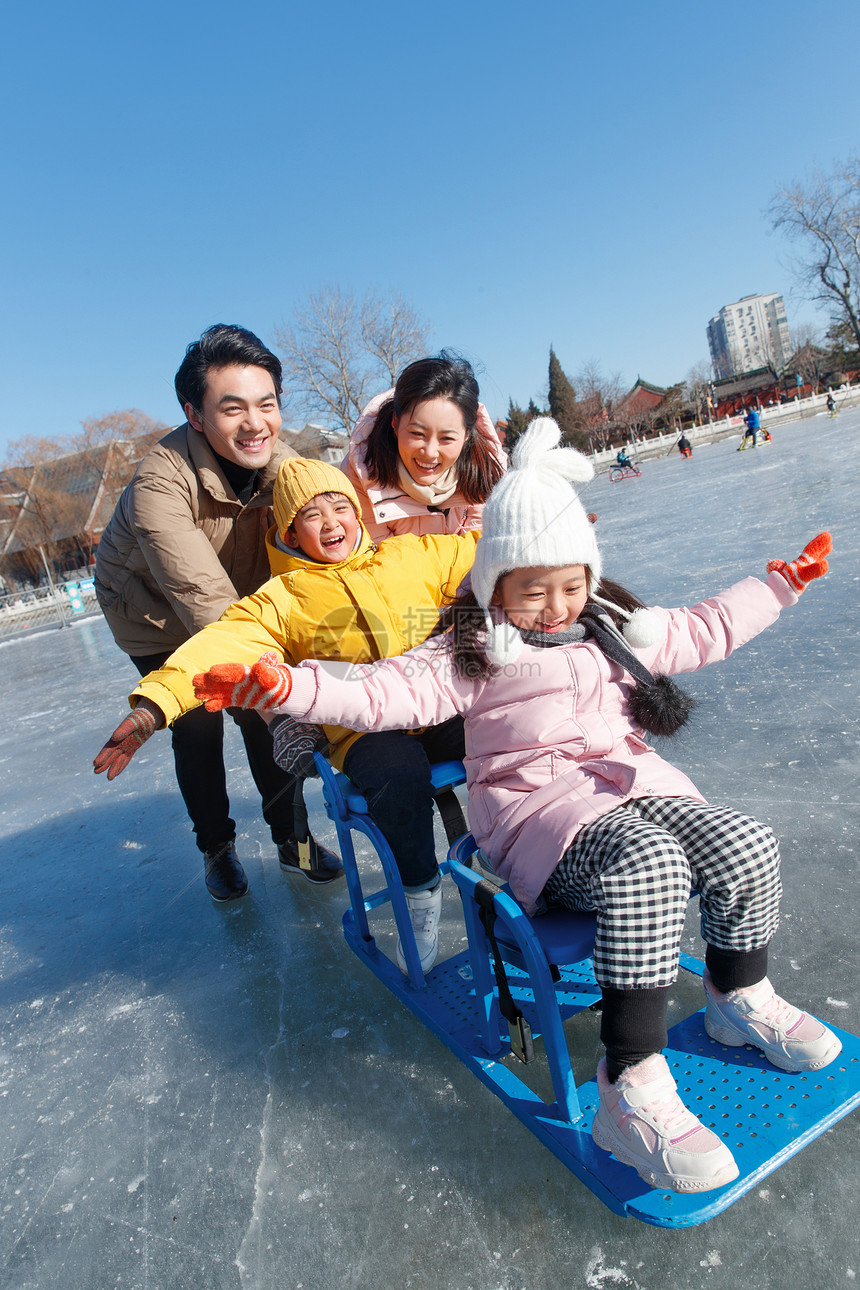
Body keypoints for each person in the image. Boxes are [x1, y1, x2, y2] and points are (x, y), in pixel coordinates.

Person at [193, 418, 841, 1195]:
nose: (554, 607)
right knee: (653, 864)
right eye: (532, 591)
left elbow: (703, 627)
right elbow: (383, 689)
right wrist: (291, 687)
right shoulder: (468, 651)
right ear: (493, 580)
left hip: (631, 786)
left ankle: (739, 995)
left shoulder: (608, 626)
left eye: (572, 586)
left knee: (745, 842)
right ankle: (629, 1085)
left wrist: (779, 585)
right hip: (537, 822)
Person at [94, 456, 479, 971]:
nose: (330, 521)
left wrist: (549, 540)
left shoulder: (411, 555)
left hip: (436, 703)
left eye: (340, 506)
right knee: (396, 774)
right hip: (362, 728)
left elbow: (487, 553)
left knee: (506, 728)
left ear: (359, 515)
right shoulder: (282, 598)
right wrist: (155, 705)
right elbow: (221, 644)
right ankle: (421, 890)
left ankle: (511, 854)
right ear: (292, 535)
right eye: (311, 515)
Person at [93, 324, 343, 903]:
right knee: (198, 720)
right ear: (196, 414)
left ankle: (293, 841)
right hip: (153, 610)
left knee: (262, 718)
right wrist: (281, 691)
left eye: (267, 404)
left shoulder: (287, 468)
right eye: (232, 408)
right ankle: (217, 847)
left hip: (236, 597)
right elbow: (202, 598)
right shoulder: (160, 479)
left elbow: (334, 550)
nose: (255, 423)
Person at [341, 352, 506, 541]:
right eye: (417, 434)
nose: (429, 452)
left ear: (467, 435)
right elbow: (381, 561)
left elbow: (481, 548)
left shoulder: (487, 470)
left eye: (446, 438)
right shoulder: (360, 472)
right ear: (395, 423)